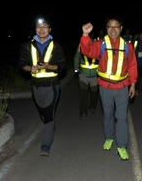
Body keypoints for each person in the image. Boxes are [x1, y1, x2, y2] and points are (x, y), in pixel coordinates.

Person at [80, 16, 137, 160]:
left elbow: (132, 65)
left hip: (122, 87)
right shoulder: (101, 44)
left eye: (116, 26)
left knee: (122, 117)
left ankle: (122, 146)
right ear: (106, 29)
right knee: (107, 115)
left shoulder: (127, 46)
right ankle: (109, 137)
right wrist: (85, 35)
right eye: (110, 27)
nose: (113, 29)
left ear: (121, 29)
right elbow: (86, 51)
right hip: (105, 87)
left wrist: (133, 84)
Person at [18, 17, 66, 156]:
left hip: (52, 85)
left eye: (45, 26)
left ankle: (45, 145)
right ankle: (50, 127)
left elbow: (62, 66)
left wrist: (48, 66)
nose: (42, 29)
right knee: (43, 114)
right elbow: (21, 64)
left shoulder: (56, 45)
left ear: (49, 30)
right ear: (35, 29)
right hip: (35, 86)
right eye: (39, 26)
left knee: (49, 114)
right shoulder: (28, 45)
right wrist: (29, 68)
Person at [74, 44, 99, 120]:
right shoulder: (80, 47)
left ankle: (92, 106)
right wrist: (76, 66)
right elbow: (76, 57)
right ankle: (83, 112)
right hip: (83, 75)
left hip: (95, 75)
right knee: (83, 93)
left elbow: (102, 58)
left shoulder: (97, 47)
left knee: (94, 92)